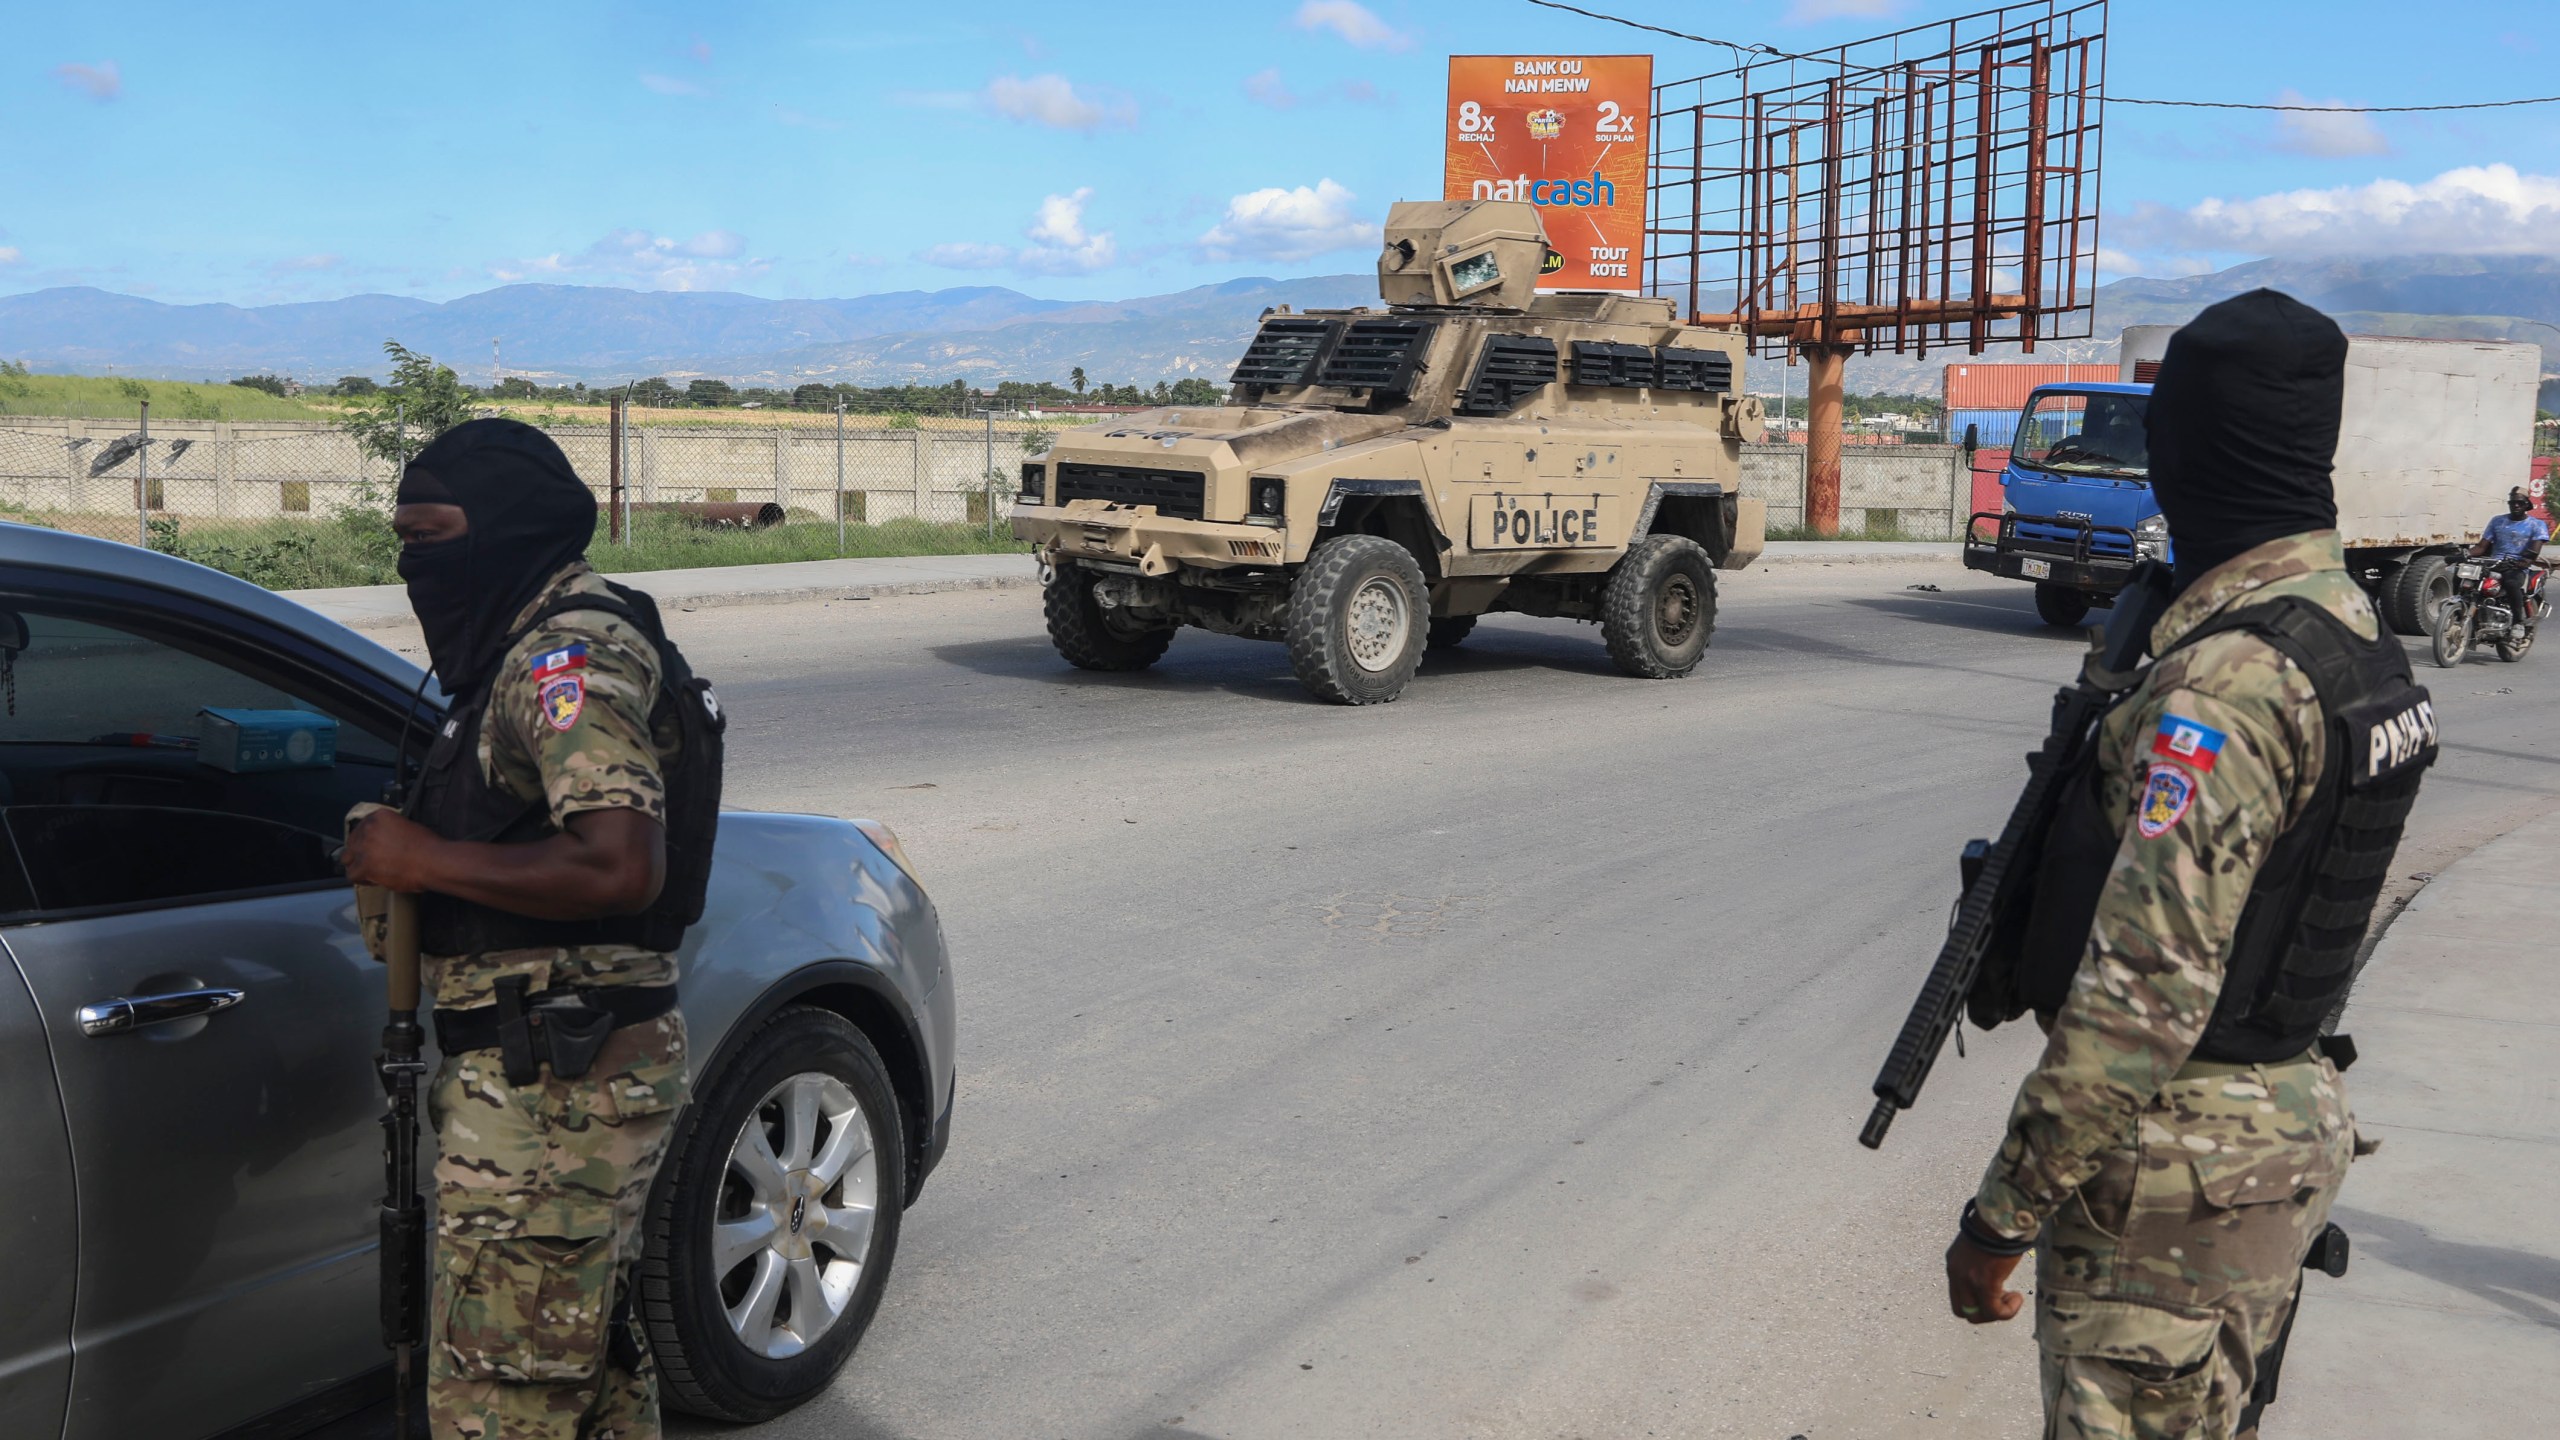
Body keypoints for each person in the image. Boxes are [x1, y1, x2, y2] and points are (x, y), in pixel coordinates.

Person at [1942, 291, 2437, 1439]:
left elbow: (2141, 999)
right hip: (2274, 1130)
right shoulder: (2347, 628)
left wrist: (2000, 1218)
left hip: (2173, 1168)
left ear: (2196, 448)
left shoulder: (2223, 689)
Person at [343, 418, 701, 1440]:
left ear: (501, 529)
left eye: (434, 533)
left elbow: (620, 861)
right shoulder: (517, 643)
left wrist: (421, 861)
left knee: (504, 1394)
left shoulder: (561, 657)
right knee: (582, 1369)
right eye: (402, 537)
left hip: (556, 1088)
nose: (416, 559)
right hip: (553, 1073)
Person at [2469, 486, 2547, 627]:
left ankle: (2518, 622)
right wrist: (2463, 554)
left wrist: (2524, 562)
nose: (2516, 505)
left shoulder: (2537, 524)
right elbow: (2481, 547)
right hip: (2494, 563)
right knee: (2465, 579)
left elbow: (2534, 550)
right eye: (2512, 503)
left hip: (2516, 566)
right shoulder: (2497, 521)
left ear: (2526, 505)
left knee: (2511, 583)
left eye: (2520, 502)